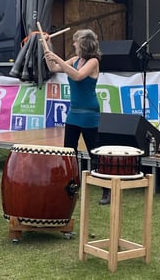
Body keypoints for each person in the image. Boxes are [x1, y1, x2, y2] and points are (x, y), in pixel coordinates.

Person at [43, 29, 110, 205]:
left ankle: (107, 189)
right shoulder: (74, 60)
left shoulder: (93, 62)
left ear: (83, 45)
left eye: (76, 42)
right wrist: (46, 45)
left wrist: (56, 57)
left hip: (89, 113)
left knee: (94, 152)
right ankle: (71, 185)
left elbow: (78, 76)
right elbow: (53, 68)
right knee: (68, 151)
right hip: (74, 112)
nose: (73, 44)